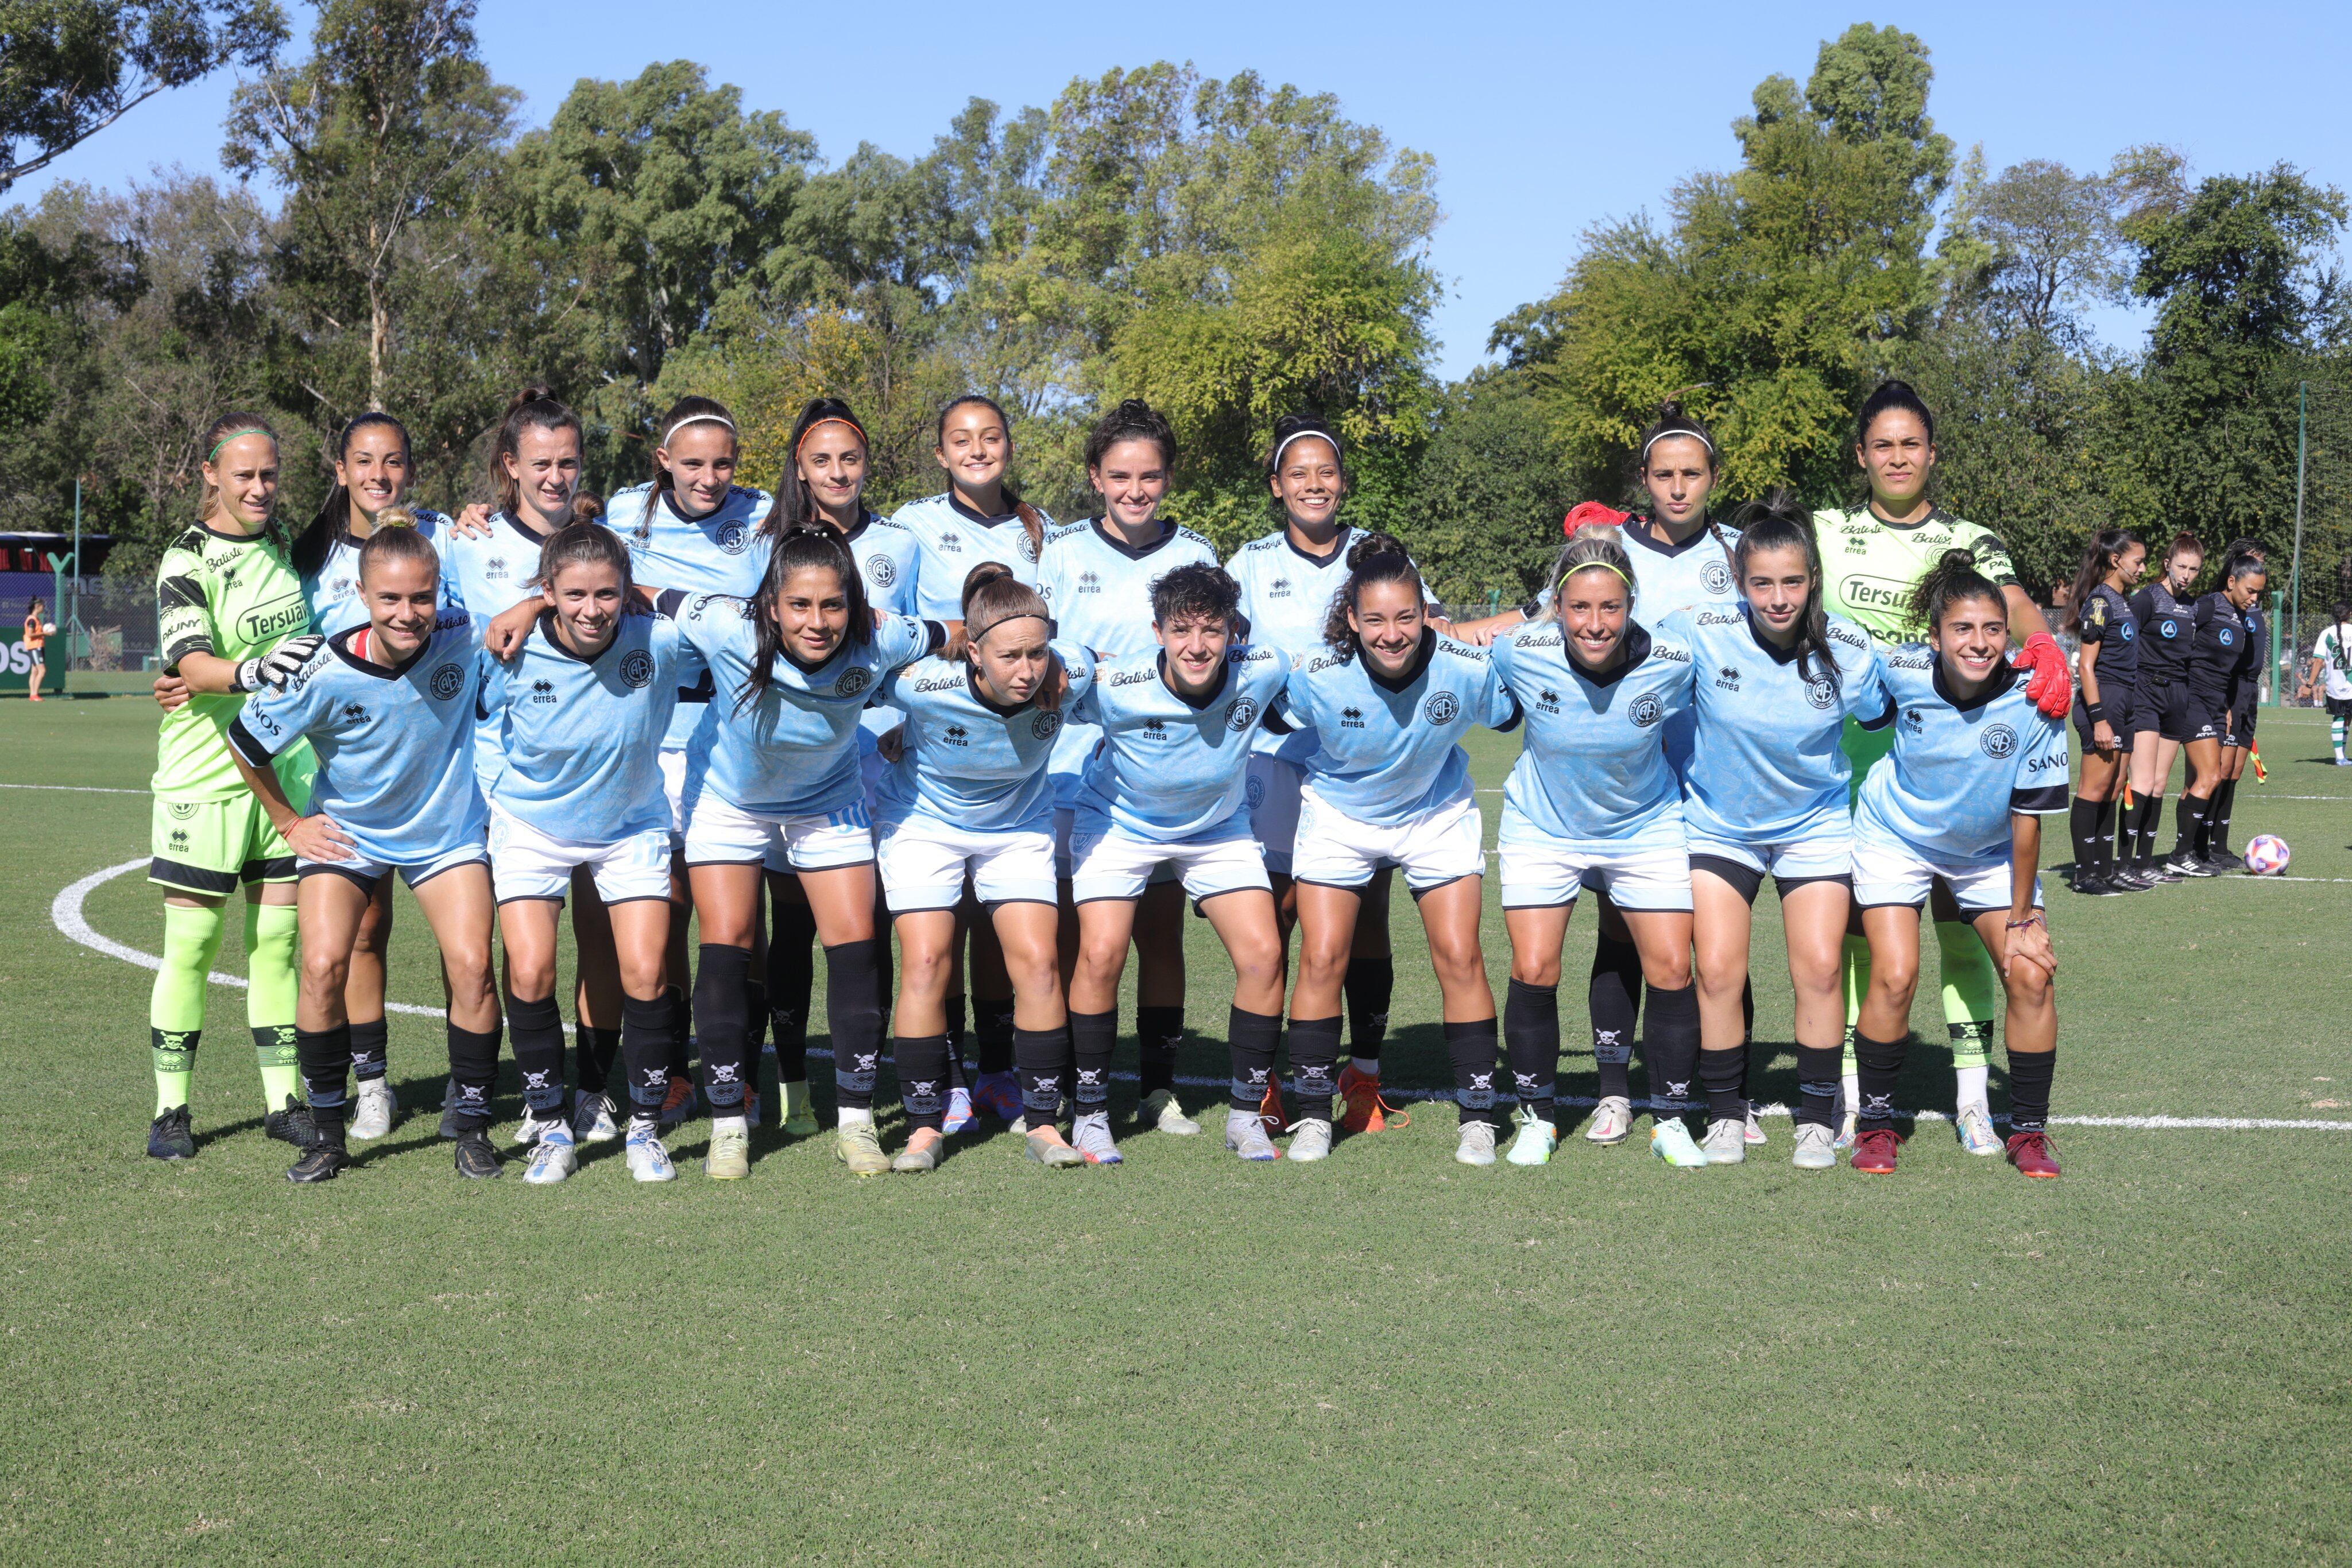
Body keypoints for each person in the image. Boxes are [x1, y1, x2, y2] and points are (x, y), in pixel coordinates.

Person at [1815, 381, 2070, 1154]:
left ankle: (1971, 1094)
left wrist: (2046, 645)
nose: (1898, 457)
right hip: (1852, 764)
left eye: (1912, 444)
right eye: (1883, 444)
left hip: (1960, 763)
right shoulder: (1827, 528)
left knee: (1963, 932)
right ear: (1862, 454)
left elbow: (2016, 603)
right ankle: (1863, 1101)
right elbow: (1748, 558)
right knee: (1870, 947)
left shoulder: (1971, 537)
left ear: (1932, 452)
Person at [225, 526, 500, 1182]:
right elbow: (243, 740)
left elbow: (533, 616)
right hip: (349, 834)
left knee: (471, 967)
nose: (409, 614)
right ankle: (326, 1134)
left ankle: (473, 1120)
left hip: (445, 833)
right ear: (361, 594)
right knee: (321, 966)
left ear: (439, 593)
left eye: (422, 597)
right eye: (391, 599)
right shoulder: (317, 669)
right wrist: (289, 823)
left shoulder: (465, 634)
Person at [672, 525, 942, 1179]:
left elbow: (951, 633)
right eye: (800, 605)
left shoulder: (881, 637)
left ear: (854, 604)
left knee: (853, 944)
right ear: (769, 605)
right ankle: (728, 1127)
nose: (818, 622)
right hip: (729, 800)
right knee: (728, 942)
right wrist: (531, 606)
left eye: (833, 605)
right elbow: (649, 593)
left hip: (827, 799)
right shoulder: (726, 624)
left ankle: (856, 1121)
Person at [1272, 536, 1517, 1164]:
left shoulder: (1463, 666)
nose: (1391, 634)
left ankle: (1478, 1115)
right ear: (1351, 620)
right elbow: (1261, 710)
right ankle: (1311, 1115)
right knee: (1323, 957)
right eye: (1375, 620)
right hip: (1340, 816)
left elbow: (1515, 708)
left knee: (1459, 956)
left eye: (1405, 617)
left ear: (1426, 613)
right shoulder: (1318, 674)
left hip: (1435, 814)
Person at [1672, 496, 1887, 1170]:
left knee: (1819, 968)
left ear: (1812, 579)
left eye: (1791, 582)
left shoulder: (1849, 646)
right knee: (1716, 970)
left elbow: (1896, 708)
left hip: (1812, 826)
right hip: (1719, 825)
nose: (1777, 597)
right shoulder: (1698, 629)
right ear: (1739, 582)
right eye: (1761, 583)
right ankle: (1727, 1113)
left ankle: (1816, 1118)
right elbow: (1610, 644)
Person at [477, 522, 687, 1184]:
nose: (591, 609)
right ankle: (552, 1125)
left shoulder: (661, 639)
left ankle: (644, 1128)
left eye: (606, 593)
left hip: (630, 823)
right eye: (572, 595)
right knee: (532, 970)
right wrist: (530, 608)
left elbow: (739, 618)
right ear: (549, 591)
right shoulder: (507, 648)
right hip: (533, 823)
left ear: (628, 592)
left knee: (647, 973)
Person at [1224, 415, 1418, 1134]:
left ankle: (1362, 1076)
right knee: (1275, 919)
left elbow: (1413, 645)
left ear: (1343, 480)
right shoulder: (1246, 563)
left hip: (1362, 768)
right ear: (1277, 486)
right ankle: (1271, 1080)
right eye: (1298, 473)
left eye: (1326, 471)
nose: (1314, 484)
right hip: (1275, 763)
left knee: (1364, 918)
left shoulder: (1378, 557)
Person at [1490, 529, 1707, 1168]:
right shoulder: (1520, 651)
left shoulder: (1673, 657)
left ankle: (1669, 1119)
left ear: (1630, 604)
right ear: (1557, 607)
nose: (1594, 623)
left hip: (1644, 825)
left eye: (1610, 607)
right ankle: (1539, 1118)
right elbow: (1457, 653)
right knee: (1534, 968)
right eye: (1579, 608)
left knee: (1670, 968)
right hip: (1542, 826)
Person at [1848, 550, 2068, 1178]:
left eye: (1993, 629)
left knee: (2029, 973)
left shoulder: (2036, 697)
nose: (1979, 643)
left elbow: (2027, 823)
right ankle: (1876, 1124)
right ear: (1935, 636)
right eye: (1962, 629)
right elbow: (1852, 688)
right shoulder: (1903, 669)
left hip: (1989, 852)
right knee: (1894, 974)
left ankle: (2026, 1131)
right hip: (1897, 836)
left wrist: (2023, 918)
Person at [140, 413, 323, 1162]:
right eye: (244, 474)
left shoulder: (283, 542)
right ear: (210, 475)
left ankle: (283, 1099)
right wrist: (250, 672)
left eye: (270, 474)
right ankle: (171, 1109)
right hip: (207, 776)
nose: (260, 487)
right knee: (191, 943)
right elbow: (190, 664)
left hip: (288, 774)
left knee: (277, 943)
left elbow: (367, 496)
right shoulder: (185, 559)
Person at [1063, 564, 1290, 1163]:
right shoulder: (1116, 683)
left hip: (1217, 828)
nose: (1196, 646)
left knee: (1264, 954)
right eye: (1181, 629)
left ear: (1232, 631)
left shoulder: (1264, 668)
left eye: (1211, 630)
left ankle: (1245, 1117)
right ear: (1157, 630)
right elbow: (1039, 683)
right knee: (1102, 952)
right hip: (1120, 823)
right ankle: (1088, 1114)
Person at [1038, 400, 1220, 1136]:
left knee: (1160, 935)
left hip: (1161, 776)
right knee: (1073, 940)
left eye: (1149, 476)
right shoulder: (1058, 551)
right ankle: (1067, 1089)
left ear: (1168, 478)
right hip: (1065, 768)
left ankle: (1157, 1087)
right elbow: (1038, 652)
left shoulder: (1198, 553)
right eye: (1119, 475)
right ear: (1095, 476)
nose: (1135, 490)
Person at [756, 399, 938, 1134]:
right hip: (790, 754)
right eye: (821, 459)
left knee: (869, 924)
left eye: (850, 458)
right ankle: (793, 1080)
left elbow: (920, 644)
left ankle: (866, 1080)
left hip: (871, 756)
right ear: (800, 466)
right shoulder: (765, 540)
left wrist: (904, 721)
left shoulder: (900, 541)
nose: (838, 472)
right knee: (791, 925)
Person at [872, 563, 1091, 1170]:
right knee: (924, 961)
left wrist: (1066, 664)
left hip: (1017, 828)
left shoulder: (1065, 674)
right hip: (923, 825)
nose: (1027, 671)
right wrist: (899, 732)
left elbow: (1097, 659)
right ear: (973, 652)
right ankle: (923, 1127)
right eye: (1010, 656)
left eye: (1037, 654)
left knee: (1040, 962)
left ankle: (1045, 1124)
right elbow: (857, 665)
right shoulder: (921, 685)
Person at [285, 412, 454, 1139]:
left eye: (392, 462)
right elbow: (270, 645)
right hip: (343, 768)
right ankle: (372, 1081)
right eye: (364, 461)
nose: (378, 475)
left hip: (434, 765)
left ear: (409, 470)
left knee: (462, 941)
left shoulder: (445, 536)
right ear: (341, 470)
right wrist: (186, 675)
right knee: (359, 932)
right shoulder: (309, 553)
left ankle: (466, 1085)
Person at [2163, 553, 2268, 877]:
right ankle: (2181, 855)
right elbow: (2177, 633)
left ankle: (2190, 852)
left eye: (2259, 594)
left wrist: (2225, 707)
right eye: (2250, 591)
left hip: (2215, 705)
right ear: (2232, 581)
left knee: (2199, 780)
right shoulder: (2208, 605)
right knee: (2210, 776)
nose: (2254, 598)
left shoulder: (2239, 615)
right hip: (2192, 699)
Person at [2061, 530, 2146, 895]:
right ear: (2116, 561)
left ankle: (2104, 868)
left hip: (2125, 701)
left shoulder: (2123, 600)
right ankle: (2084, 874)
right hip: (2105, 702)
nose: (2142, 567)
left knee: (2112, 789)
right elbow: (2086, 667)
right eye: (2138, 561)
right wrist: (2099, 718)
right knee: (2093, 789)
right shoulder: (2100, 601)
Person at [2124, 533, 2205, 882]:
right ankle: (2126, 864)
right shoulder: (2147, 598)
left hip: (2177, 698)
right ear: (2167, 564)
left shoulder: (2193, 606)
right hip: (2145, 692)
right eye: (2182, 567)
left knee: (2159, 784)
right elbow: (2123, 643)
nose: (2186, 575)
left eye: (2194, 570)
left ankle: (2145, 864)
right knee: (2141, 782)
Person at [2208, 541, 2268, 869]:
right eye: (2253, 563)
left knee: (2234, 771)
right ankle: (2200, 845)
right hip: (2230, 689)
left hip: (2250, 691)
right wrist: (2225, 700)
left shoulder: (2252, 603)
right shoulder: (2223, 603)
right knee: (2217, 770)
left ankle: (2219, 845)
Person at [2307, 601, 2352, 764]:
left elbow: (2318, 662)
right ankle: (2342, 756)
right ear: (2350, 614)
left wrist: (2309, 685)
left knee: (2339, 718)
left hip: (2335, 686)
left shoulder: (2326, 633)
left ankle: (2340, 757)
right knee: (2347, 719)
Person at [21, 596, 47, 701]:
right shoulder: (32, 620)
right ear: (37, 606)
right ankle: (35, 694)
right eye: (42, 606)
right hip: (35, 647)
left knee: (35, 671)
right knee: (42, 670)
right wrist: (45, 633)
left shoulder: (35, 619)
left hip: (38, 646)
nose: (44, 608)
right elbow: (30, 634)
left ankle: (32, 695)